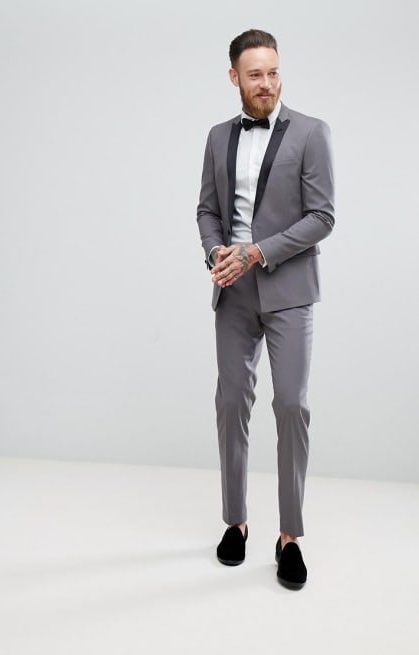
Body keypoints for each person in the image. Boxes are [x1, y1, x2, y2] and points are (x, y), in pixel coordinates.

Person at [196, 29, 334, 589]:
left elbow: (322, 217)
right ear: (234, 77)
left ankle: (290, 537)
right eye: (255, 74)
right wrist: (217, 253)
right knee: (231, 403)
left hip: (289, 290)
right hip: (233, 291)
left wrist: (256, 252)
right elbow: (207, 210)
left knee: (291, 406)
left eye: (273, 72)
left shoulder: (312, 132)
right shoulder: (217, 137)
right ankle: (236, 521)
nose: (266, 84)